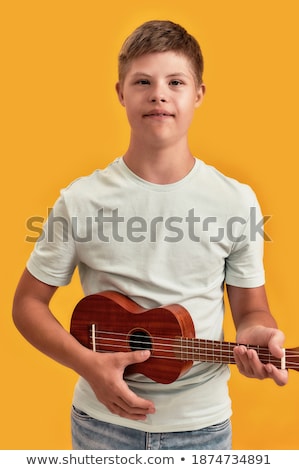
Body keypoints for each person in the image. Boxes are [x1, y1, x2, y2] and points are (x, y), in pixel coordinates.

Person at [12, 20, 288, 450]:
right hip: (100, 423)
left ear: (198, 94)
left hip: (203, 427)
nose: (158, 93)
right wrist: (89, 366)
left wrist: (258, 334)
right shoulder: (81, 200)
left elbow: (252, 311)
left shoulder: (236, 200)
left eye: (175, 81)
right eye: (143, 81)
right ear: (121, 93)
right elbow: (27, 304)